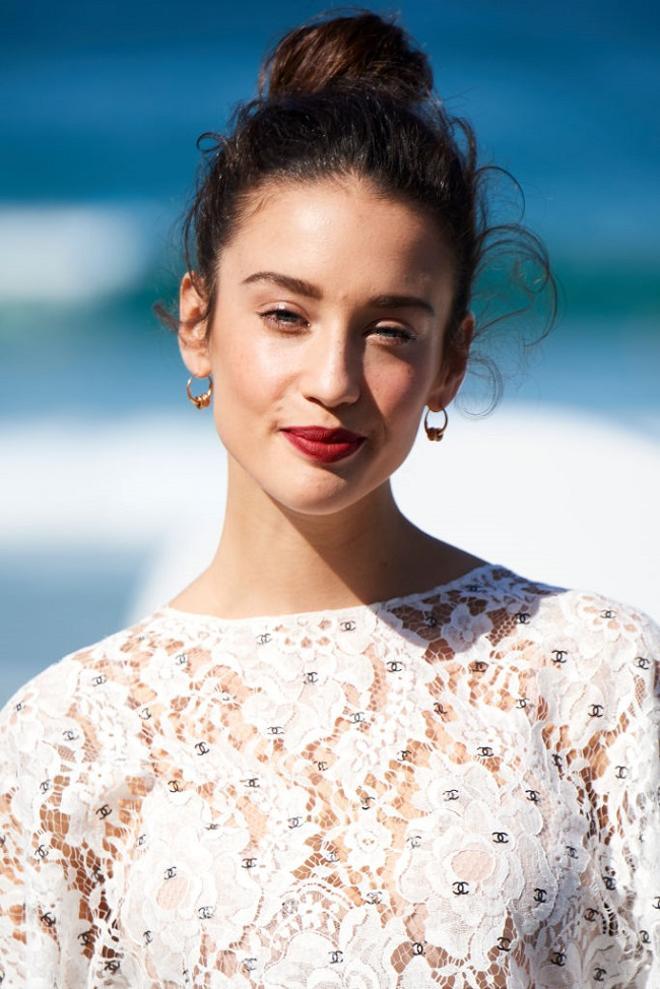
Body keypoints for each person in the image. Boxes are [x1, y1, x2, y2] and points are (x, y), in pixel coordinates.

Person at [1, 9, 658, 987]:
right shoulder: (66, 735)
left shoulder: (596, 677)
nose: (333, 378)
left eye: (390, 328)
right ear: (197, 321)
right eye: (285, 314)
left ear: (450, 361)